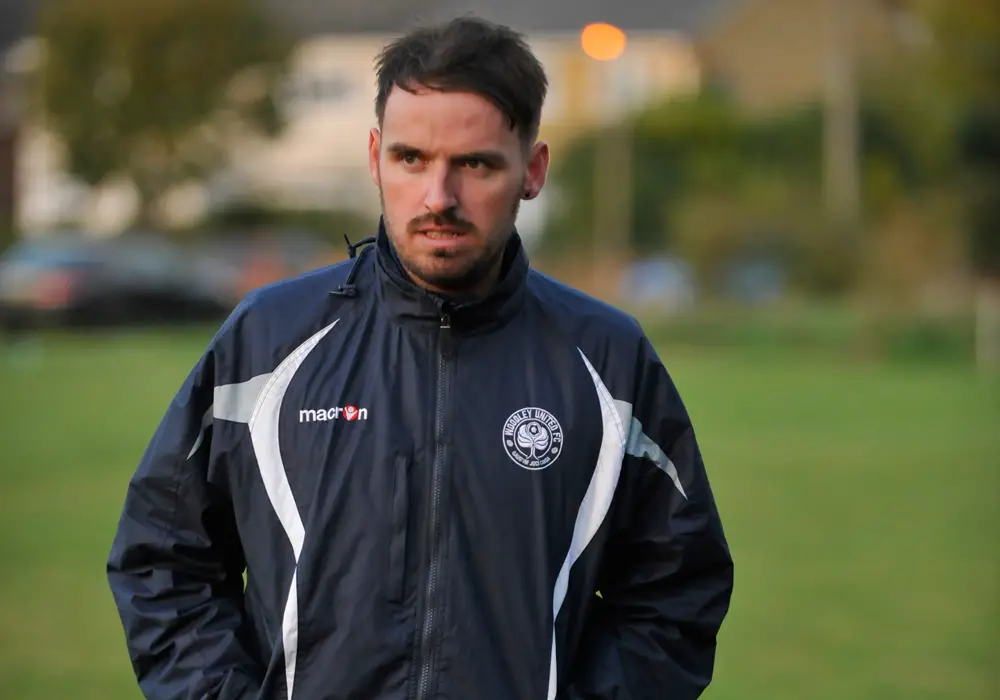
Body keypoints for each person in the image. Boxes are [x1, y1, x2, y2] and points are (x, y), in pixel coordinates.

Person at [107, 15, 734, 700]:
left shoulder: (608, 362)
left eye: (476, 164)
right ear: (375, 156)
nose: (439, 197)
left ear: (533, 170)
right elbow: (163, 561)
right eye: (412, 159)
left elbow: (675, 594)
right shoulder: (268, 342)